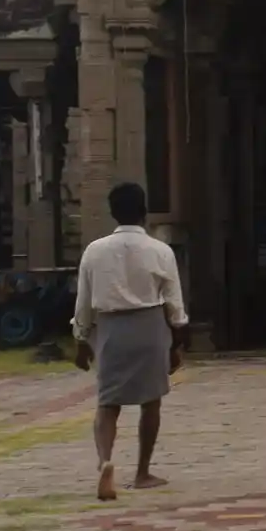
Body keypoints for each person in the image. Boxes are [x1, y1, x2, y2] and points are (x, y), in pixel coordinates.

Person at [71, 182, 187, 501]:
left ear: (112, 213)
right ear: (143, 211)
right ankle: (143, 472)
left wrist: (81, 340)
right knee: (151, 402)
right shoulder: (161, 250)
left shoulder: (94, 251)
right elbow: (174, 303)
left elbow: (83, 304)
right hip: (150, 327)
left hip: (111, 328)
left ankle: (106, 461)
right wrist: (176, 342)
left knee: (108, 404)